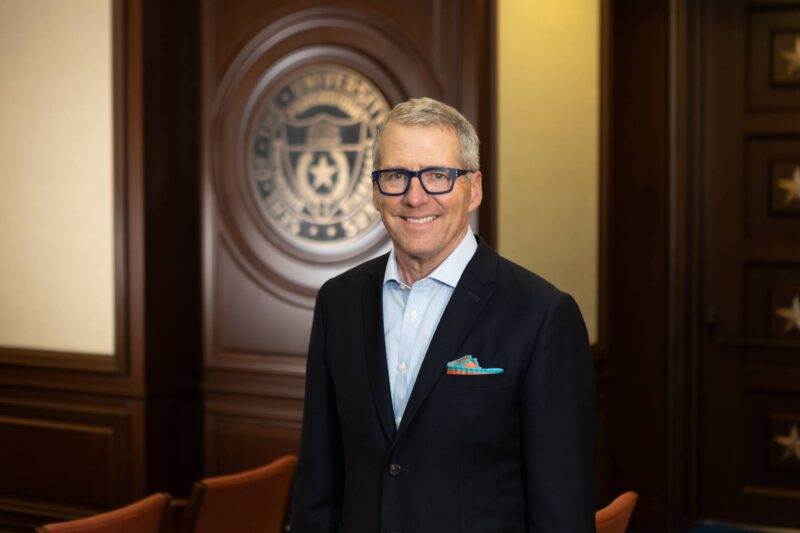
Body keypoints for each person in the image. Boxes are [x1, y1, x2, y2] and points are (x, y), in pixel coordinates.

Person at [290, 97, 596, 532]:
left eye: (438, 176)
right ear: (376, 190)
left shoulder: (542, 315)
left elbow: (562, 509)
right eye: (396, 176)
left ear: (474, 189)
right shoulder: (338, 302)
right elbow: (318, 481)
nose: (415, 197)